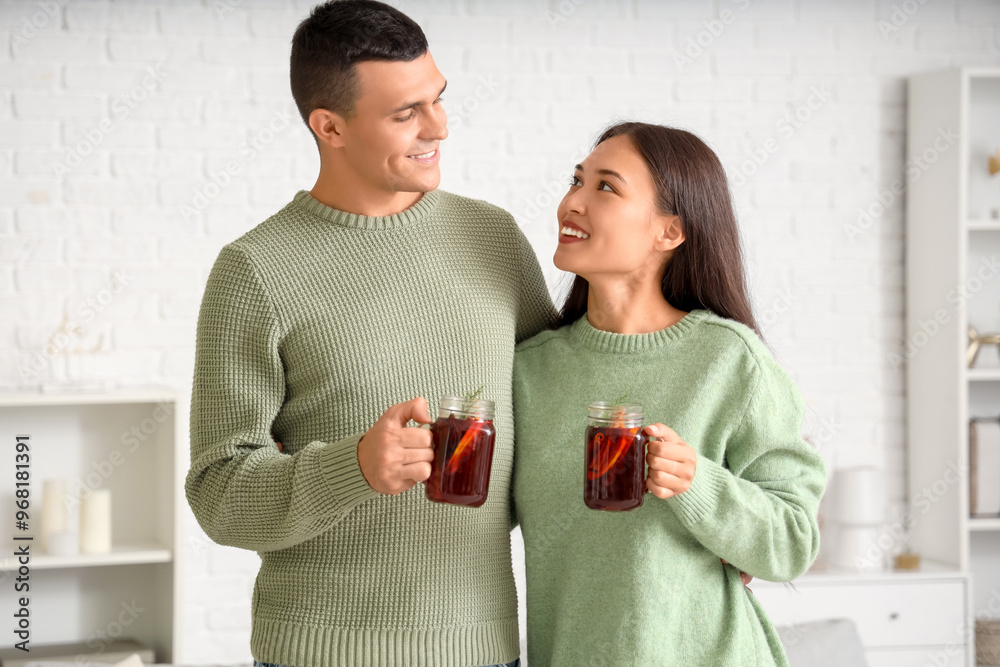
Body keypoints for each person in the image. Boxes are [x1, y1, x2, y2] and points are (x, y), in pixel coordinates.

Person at [183, 2, 555, 666]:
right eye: (405, 113)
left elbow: (562, 421)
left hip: (483, 647)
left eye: (437, 100)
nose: (438, 127)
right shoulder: (256, 270)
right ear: (329, 126)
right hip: (317, 653)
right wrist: (351, 467)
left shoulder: (493, 239)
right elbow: (219, 492)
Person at [511, 122, 828, 666]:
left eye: (606, 187)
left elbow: (793, 542)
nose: (572, 202)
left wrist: (697, 483)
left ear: (669, 232)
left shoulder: (729, 359)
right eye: (576, 180)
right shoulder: (529, 369)